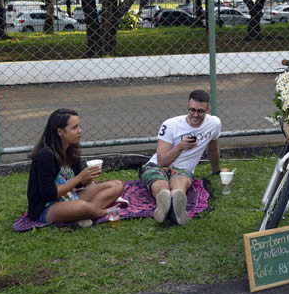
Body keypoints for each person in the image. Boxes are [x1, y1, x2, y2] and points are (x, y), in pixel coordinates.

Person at [26, 109, 124, 227]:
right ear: (60, 131)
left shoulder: (71, 148)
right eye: (74, 127)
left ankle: (82, 215)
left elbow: (77, 185)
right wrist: (79, 178)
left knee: (117, 185)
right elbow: (49, 194)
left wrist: (87, 180)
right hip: (47, 207)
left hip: (70, 197)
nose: (80, 131)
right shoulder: (45, 156)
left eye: (79, 126)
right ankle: (102, 212)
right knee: (82, 206)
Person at [139, 89, 221, 225]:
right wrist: (180, 147)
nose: (195, 115)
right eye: (192, 110)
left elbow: (213, 150)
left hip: (183, 170)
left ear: (208, 109)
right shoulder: (170, 125)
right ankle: (164, 199)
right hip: (157, 166)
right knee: (159, 182)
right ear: (187, 107)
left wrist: (217, 171)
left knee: (181, 182)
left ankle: (177, 201)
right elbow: (162, 161)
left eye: (200, 111)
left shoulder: (214, 124)